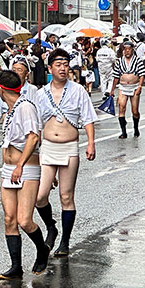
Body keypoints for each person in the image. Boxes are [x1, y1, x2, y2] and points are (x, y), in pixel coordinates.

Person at [34, 48, 97, 258]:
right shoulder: (41, 93)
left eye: (65, 64)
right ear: (50, 68)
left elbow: (88, 118)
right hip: (48, 147)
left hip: (69, 147)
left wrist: (90, 143)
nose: (63, 68)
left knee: (66, 196)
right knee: (40, 196)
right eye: (58, 65)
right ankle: (51, 226)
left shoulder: (78, 90)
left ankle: (65, 242)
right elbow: (35, 124)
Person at [0, 71, 49, 279]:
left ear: (1, 89)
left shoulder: (25, 107)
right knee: (9, 218)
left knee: (24, 220)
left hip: (25, 169)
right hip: (9, 169)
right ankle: (15, 266)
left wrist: (20, 165)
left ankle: (42, 249)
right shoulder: (11, 109)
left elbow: (33, 137)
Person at [0, 57, 38, 146]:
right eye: (13, 70)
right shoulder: (4, 89)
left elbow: (37, 115)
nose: (16, 72)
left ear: (27, 73)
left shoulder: (31, 94)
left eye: (19, 70)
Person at [109, 41, 145, 139]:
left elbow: (142, 75)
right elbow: (116, 77)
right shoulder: (120, 61)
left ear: (132, 50)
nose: (127, 51)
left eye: (129, 49)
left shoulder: (138, 60)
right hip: (123, 87)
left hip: (134, 87)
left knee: (135, 110)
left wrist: (139, 86)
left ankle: (136, 128)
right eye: (125, 49)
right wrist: (112, 90)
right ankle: (123, 132)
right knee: (121, 107)